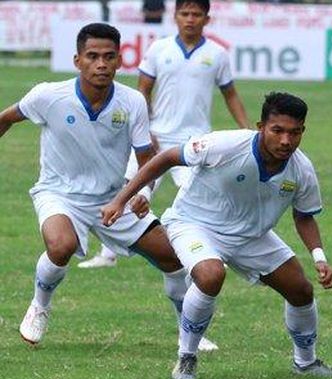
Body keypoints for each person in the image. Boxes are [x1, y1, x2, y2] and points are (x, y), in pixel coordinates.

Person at [101, 92, 332, 379]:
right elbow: (165, 158)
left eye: (295, 133)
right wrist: (122, 199)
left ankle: (306, 362)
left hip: (251, 236)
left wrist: (320, 257)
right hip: (193, 224)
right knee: (211, 274)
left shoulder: (301, 169)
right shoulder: (225, 145)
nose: (286, 141)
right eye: (277, 131)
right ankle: (186, 357)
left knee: (301, 290)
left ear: (303, 131)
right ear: (260, 127)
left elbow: (304, 216)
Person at [0, 23, 191, 347]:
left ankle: (189, 332)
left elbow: (147, 157)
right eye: (92, 56)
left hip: (114, 199)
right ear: (78, 60)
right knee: (60, 245)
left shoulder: (132, 102)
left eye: (108, 56)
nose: (101, 64)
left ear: (119, 61)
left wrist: (143, 192)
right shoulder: (49, 95)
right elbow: (6, 118)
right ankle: (40, 306)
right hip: (59, 194)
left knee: (173, 257)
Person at [80, 0, 250, 275]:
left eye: (196, 14)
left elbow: (229, 93)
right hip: (156, 137)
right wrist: (145, 128)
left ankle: (202, 251)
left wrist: (246, 130)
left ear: (207, 19)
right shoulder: (159, 48)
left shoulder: (218, 53)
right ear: (175, 16)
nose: (190, 19)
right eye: (185, 13)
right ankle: (108, 254)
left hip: (194, 143)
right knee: (127, 188)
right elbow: (143, 90)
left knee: (195, 198)